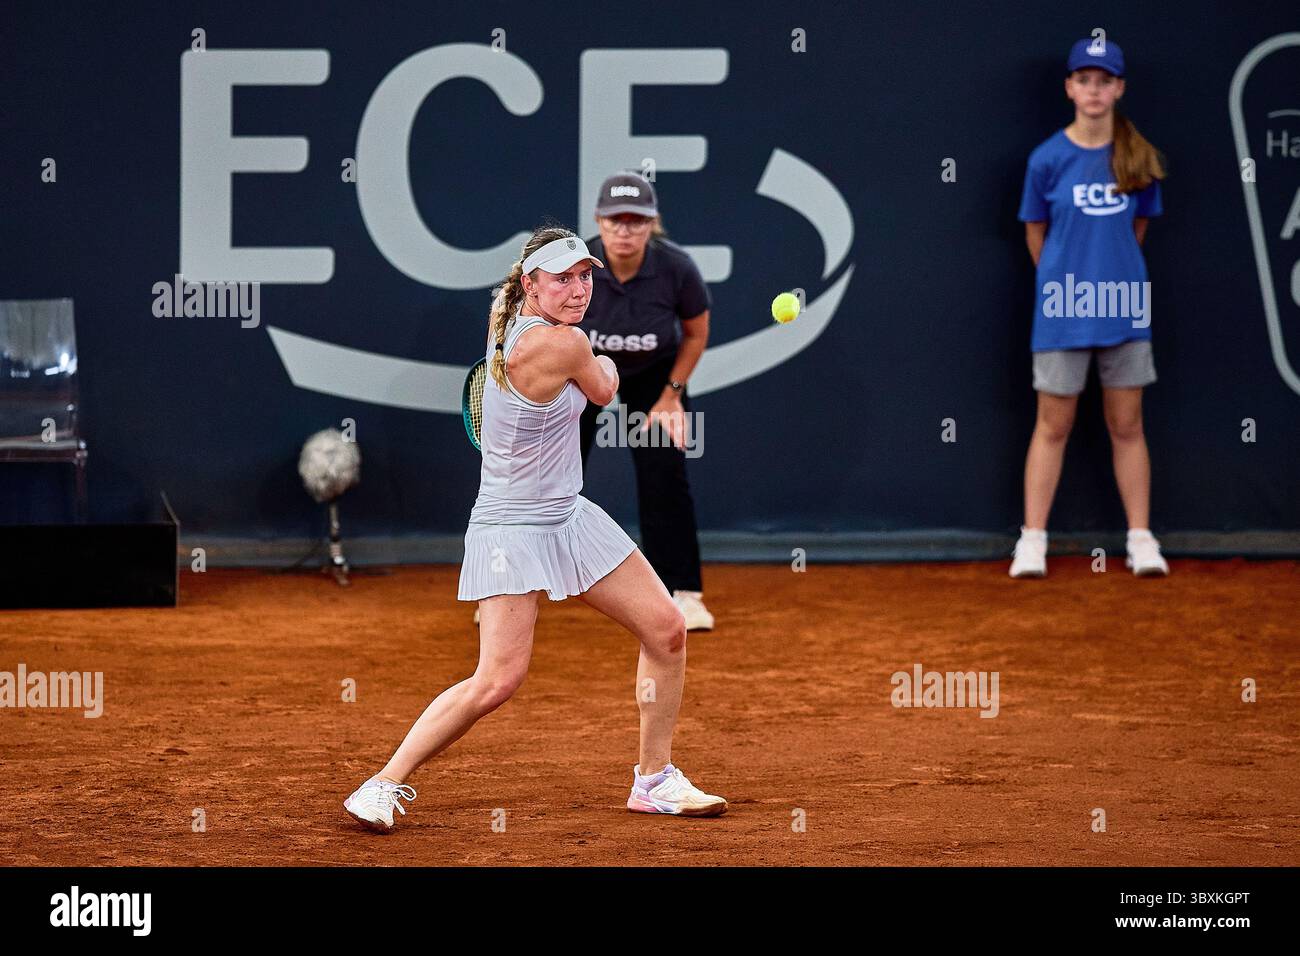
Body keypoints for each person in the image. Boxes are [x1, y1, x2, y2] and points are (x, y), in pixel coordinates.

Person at [344, 225, 727, 832]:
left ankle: (653, 780)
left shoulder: (514, 324)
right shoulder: (563, 344)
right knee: (497, 679)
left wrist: (592, 355)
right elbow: (605, 387)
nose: (578, 290)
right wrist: (600, 358)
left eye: (584, 277)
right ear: (531, 285)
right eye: (563, 279)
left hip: (567, 513)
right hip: (510, 527)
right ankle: (383, 784)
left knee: (667, 629)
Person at [1011, 38, 1169, 579]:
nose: (1095, 90)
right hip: (1061, 309)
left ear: (1119, 88)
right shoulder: (1046, 160)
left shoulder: (1138, 157)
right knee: (1052, 425)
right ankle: (1032, 541)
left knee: (1127, 424)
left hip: (1124, 307)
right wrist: (1064, 281)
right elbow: (1037, 234)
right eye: (1085, 80)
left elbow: (1137, 229)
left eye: (1105, 80)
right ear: (1070, 88)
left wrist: (1109, 274)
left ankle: (1141, 539)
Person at [576, 172, 715, 629]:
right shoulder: (574, 265)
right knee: (546, 481)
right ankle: (512, 586)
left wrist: (671, 396)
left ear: (653, 224)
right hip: (583, 371)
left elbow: (696, 333)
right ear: (598, 220)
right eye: (615, 221)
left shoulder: (677, 268)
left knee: (666, 480)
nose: (624, 231)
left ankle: (684, 592)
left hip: (656, 376)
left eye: (636, 221)